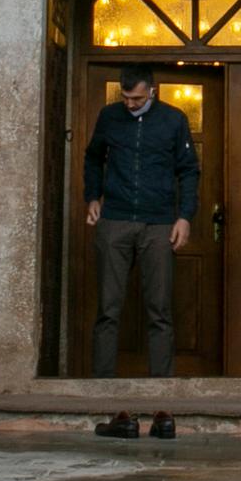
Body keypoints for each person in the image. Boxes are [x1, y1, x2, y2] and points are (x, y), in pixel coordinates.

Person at [82, 64, 198, 440]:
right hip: (115, 219)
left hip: (159, 223)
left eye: (137, 97)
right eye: (125, 97)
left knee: (159, 311)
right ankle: (104, 397)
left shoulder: (173, 120)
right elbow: (92, 157)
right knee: (108, 309)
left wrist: (184, 217)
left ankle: (162, 404)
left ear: (153, 91)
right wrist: (92, 197)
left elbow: (189, 171)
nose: (130, 104)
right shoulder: (109, 117)